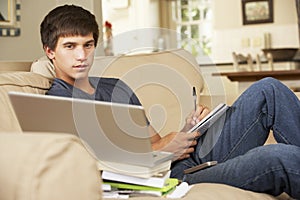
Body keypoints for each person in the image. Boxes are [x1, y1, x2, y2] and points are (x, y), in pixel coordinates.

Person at [40, 5, 300, 198]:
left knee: (269, 89)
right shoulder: (57, 100)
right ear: (50, 51)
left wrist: (186, 131)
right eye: (70, 46)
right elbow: (99, 165)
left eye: (88, 45)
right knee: (278, 157)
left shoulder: (115, 86)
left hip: (187, 157)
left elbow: (152, 138)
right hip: (168, 176)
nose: (82, 55)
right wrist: (162, 152)